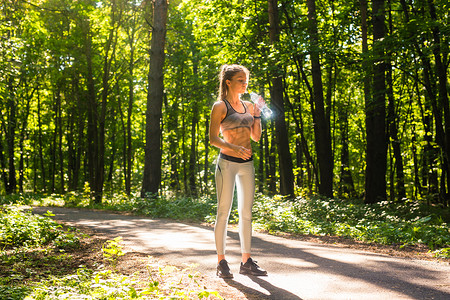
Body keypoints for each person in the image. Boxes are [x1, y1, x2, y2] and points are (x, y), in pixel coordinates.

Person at [209, 64, 267, 278]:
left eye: (246, 80)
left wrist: (258, 114)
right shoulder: (220, 106)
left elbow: (256, 137)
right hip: (227, 163)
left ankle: (246, 261)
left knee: (246, 214)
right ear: (228, 82)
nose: (245, 83)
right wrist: (234, 148)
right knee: (223, 212)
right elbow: (213, 138)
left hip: (247, 164)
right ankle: (222, 262)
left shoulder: (250, 106)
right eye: (241, 80)